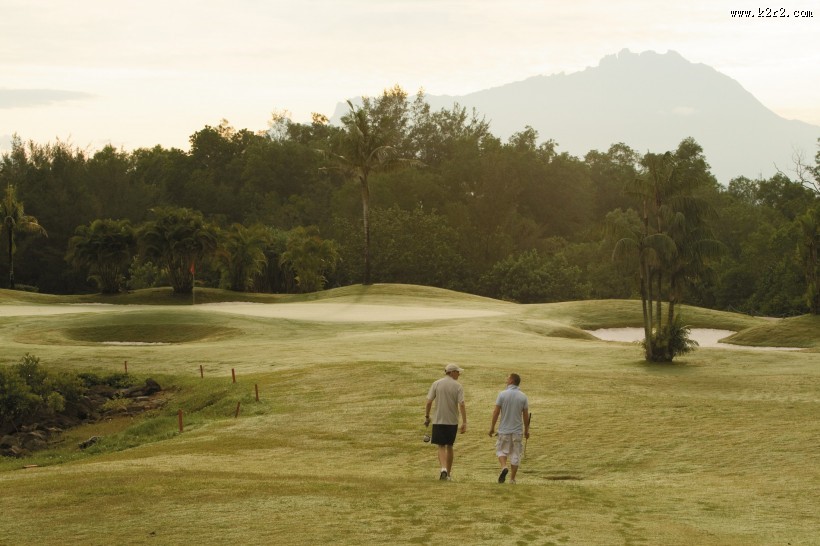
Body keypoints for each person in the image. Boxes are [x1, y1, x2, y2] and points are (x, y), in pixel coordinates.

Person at [425, 363, 467, 480]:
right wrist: (464, 422)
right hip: (452, 421)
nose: (459, 374)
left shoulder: (437, 384)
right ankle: (448, 473)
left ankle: (443, 468)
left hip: (438, 419)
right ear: (452, 372)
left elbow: (429, 402)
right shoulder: (458, 386)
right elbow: (462, 404)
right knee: (450, 446)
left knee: (441, 446)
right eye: (457, 372)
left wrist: (427, 416)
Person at [488, 373, 529, 484]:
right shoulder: (523, 396)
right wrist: (527, 430)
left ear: (511, 381)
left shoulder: (502, 394)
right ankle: (512, 479)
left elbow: (496, 412)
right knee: (516, 454)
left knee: (501, 450)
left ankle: (503, 466)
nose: (506, 380)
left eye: (508, 378)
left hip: (504, 430)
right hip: (517, 430)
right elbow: (525, 415)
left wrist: (492, 427)